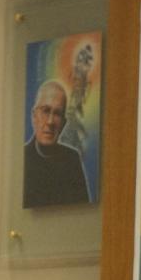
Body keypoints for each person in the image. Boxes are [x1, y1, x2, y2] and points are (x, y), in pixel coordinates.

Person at [23, 79, 91, 208]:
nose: (50, 121)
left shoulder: (72, 160)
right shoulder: (21, 159)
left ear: (63, 123)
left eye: (57, 114)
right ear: (34, 116)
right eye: (45, 110)